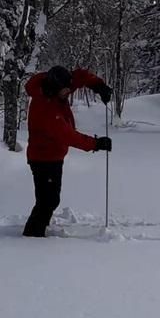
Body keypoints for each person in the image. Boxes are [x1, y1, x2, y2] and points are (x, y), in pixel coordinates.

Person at [22, 65, 113, 238]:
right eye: (64, 91)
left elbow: (80, 76)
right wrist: (96, 144)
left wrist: (98, 86)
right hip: (42, 158)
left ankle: (40, 227)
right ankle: (32, 236)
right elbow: (68, 136)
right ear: (55, 89)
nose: (68, 93)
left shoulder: (55, 85)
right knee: (47, 201)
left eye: (68, 89)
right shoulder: (46, 109)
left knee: (50, 199)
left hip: (54, 155)